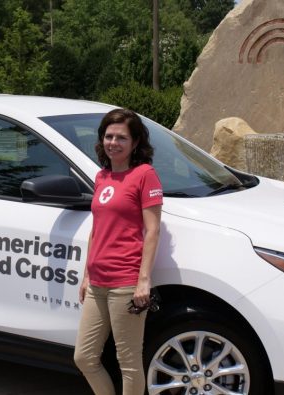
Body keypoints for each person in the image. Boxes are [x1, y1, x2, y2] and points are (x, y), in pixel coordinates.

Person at [74, 108, 163, 395]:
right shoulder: (102, 177)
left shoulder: (144, 174)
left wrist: (143, 280)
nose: (113, 142)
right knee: (84, 357)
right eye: (109, 136)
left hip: (126, 283)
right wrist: (87, 274)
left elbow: (152, 231)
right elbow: (97, 228)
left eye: (121, 137)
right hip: (98, 282)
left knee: (128, 362)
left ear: (135, 142)